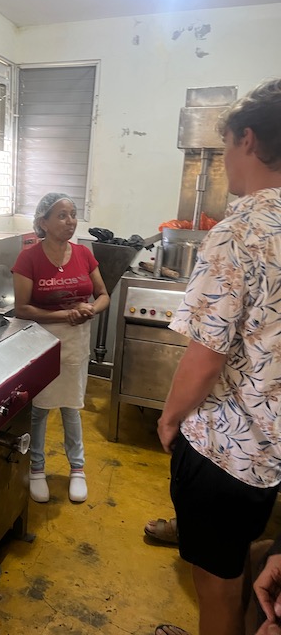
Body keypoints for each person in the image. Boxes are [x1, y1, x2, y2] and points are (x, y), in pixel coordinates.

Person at [153, 77, 281, 635]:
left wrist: (170, 418)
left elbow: (205, 356)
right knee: (244, 563)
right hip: (271, 453)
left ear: (247, 139)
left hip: (226, 449)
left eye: (225, 144)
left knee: (218, 588)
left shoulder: (241, 231)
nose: (224, 159)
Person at [11, 192, 109, 503]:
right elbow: (22, 308)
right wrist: (64, 315)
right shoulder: (28, 259)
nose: (70, 221)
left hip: (76, 341)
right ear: (43, 222)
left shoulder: (83, 254)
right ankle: (36, 468)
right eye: (62, 216)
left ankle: (77, 469)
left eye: (73, 215)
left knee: (71, 405)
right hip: (42, 341)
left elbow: (103, 295)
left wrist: (90, 309)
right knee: (40, 408)